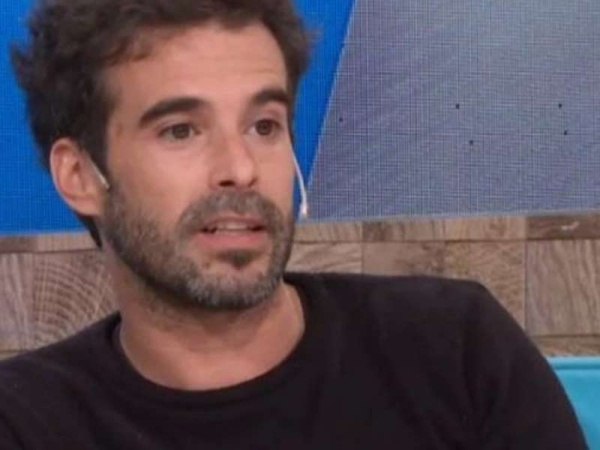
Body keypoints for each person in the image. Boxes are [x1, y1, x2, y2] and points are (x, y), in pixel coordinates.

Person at [0, 0, 587, 448]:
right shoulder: (25, 421)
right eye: (180, 130)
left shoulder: (455, 350)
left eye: (264, 125)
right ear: (80, 174)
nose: (240, 169)